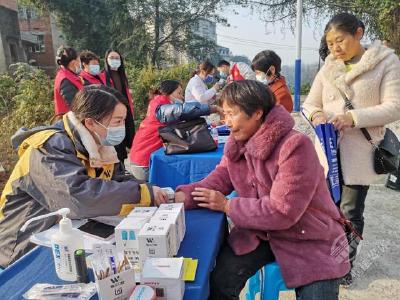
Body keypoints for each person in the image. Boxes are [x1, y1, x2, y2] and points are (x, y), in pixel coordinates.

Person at [174, 80, 349, 300]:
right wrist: (179, 196)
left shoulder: (295, 146)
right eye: (224, 114)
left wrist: (228, 205)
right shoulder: (238, 143)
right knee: (218, 282)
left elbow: (282, 211)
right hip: (260, 233)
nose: (225, 121)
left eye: (231, 114)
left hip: (309, 236)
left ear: (257, 113)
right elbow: (218, 179)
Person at [0, 85, 168, 268]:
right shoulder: (47, 148)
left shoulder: (100, 146)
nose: (122, 127)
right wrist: (143, 193)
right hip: (23, 248)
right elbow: (79, 198)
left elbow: (118, 178)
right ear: (90, 123)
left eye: (123, 121)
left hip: (67, 237)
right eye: (117, 121)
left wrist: (152, 191)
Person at [302, 12, 400, 285]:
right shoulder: (329, 66)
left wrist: (353, 118)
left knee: (349, 212)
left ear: (359, 32)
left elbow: (394, 106)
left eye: (340, 40)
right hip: (328, 152)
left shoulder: (386, 62)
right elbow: (310, 103)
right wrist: (317, 116)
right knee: (325, 209)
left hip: (360, 153)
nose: (335, 47)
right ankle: (325, 260)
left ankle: (343, 268)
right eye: (330, 42)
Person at [128, 80, 222, 181]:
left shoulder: (160, 104)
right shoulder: (161, 107)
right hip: (144, 162)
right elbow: (182, 111)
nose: (182, 97)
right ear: (168, 93)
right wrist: (212, 108)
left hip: (145, 158)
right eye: (179, 93)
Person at [101, 49, 135, 162]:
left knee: (128, 136)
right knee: (116, 142)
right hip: (111, 112)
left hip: (125, 111)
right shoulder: (103, 76)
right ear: (106, 60)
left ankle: (124, 163)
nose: (115, 60)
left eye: (117, 58)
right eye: (112, 58)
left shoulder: (122, 75)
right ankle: (119, 165)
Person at [53, 46, 84, 114]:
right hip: (69, 121)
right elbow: (76, 106)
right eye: (79, 61)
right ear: (73, 63)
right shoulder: (66, 80)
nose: (80, 64)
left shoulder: (68, 75)